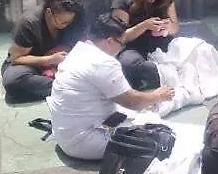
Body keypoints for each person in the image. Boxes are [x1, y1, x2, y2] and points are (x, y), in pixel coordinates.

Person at [46, 14, 174, 160]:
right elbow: (132, 102)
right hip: (85, 143)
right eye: (121, 44)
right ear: (109, 41)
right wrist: (158, 95)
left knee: (135, 114)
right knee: (161, 138)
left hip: (64, 134)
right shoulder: (104, 62)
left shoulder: (79, 50)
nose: (122, 48)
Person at [1, 0, 86, 102]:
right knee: (13, 80)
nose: (67, 25)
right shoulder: (29, 23)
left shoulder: (75, 18)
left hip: (64, 62)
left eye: (70, 22)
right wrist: (49, 59)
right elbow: (15, 59)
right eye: (63, 22)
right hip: (31, 63)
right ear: (49, 12)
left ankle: (65, 87)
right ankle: (68, 88)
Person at [110, 0, 178, 90]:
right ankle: (165, 74)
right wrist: (144, 26)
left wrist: (167, 27)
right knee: (127, 64)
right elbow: (119, 37)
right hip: (135, 48)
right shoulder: (124, 1)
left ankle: (160, 75)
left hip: (161, 46)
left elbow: (174, 27)